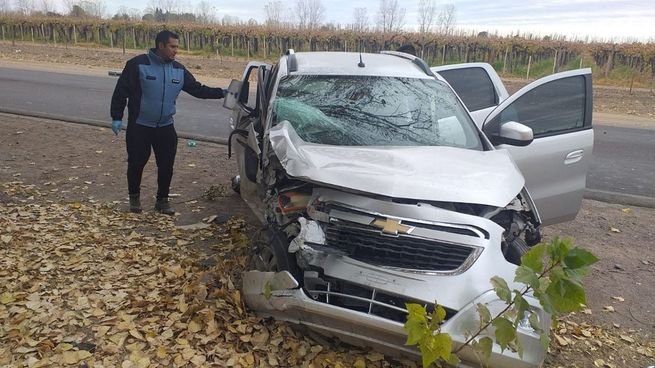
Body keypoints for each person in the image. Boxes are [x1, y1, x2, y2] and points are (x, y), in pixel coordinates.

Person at [110, 30, 225, 215]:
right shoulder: (137, 64)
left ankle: (162, 201)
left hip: (165, 126)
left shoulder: (178, 69)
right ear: (161, 45)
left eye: (177, 47)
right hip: (140, 126)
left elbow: (198, 89)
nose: (176, 51)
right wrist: (116, 117)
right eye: (172, 46)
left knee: (166, 166)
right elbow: (121, 92)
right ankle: (134, 198)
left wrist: (222, 92)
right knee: (136, 163)